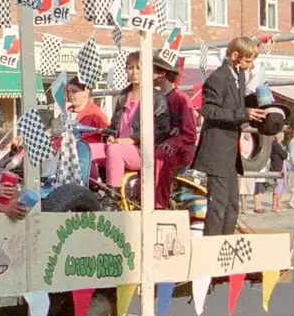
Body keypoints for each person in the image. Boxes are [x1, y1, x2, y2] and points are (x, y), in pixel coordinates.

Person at [194, 36, 268, 236]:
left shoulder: (239, 77)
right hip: (217, 150)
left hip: (230, 152)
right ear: (235, 56)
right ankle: (212, 252)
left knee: (232, 205)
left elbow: (239, 107)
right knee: (218, 207)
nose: (250, 65)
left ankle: (226, 245)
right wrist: (243, 114)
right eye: (247, 60)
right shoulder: (217, 78)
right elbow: (208, 111)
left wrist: (258, 111)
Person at [102, 52, 174, 195]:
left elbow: (161, 129)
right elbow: (113, 125)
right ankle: (84, 195)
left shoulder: (156, 97)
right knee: (86, 150)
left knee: (115, 151)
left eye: (139, 68)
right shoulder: (123, 95)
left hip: (143, 151)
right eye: (130, 68)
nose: (134, 72)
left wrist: (131, 139)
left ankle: (111, 199)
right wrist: (108, 136)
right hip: (117, 144)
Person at [153, 55, 199, 209]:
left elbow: (190, 134)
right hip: (155, 143)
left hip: (178, 150)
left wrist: (172, 142)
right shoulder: (151, 97)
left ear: (162, 73)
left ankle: (160, 204)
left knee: (161, 156)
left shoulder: (181, 98)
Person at [65, 79, 109, 180]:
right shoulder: (66, 112)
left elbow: (107, 130)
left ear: (86, 92)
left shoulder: (95, 112)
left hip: (87, 158)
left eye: (74, 91)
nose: (70, 95)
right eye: (69, 91)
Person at [262, 130, 289, 213]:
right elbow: (284, 155)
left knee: (281, 187)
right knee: (277, 187)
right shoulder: (275, 144)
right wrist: (285, 153)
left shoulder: (279, 144)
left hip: (281, 166)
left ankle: (278, 204)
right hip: (277, 167)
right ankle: (274, 205)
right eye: (282, 135)